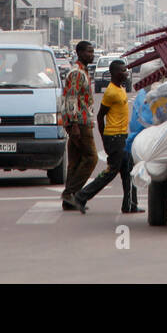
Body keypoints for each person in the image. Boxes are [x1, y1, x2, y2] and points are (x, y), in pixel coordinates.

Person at [71, 60, 141, 214]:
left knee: (129, 170)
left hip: (122, 136)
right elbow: (100, 115)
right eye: (123, 70)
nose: (126, 72)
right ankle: (81, 196)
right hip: (114, 137)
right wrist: (105, 140)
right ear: (116, 73)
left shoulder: (120, 88)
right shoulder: (111, 92)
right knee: (111, 172)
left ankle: (130, 204)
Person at [61, 40, 98, 210]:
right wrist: (74, 124)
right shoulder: (77, 73)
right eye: (89, 52)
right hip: (80, 122)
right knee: (91, 158)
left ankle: (69, 200)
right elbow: (71, 98)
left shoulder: (83, 71)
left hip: (80, 120)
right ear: (80, 53)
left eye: (92, 52)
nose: (92, 55)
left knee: (75, 160)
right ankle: (71, 192)